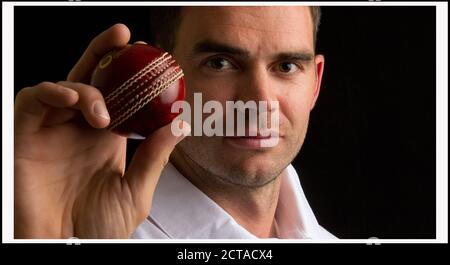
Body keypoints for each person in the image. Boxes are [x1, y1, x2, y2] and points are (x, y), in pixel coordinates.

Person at [14, 6, 335, 239]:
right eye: (220, 63)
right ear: (162, 73)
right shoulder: (86, 234)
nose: (260, 102)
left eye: (288, 66)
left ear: (315, 84)